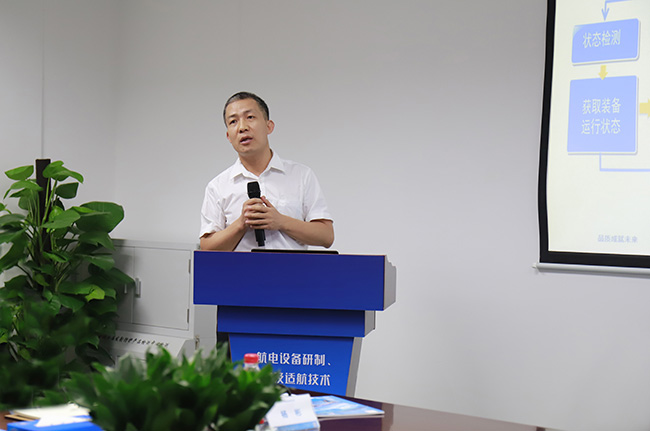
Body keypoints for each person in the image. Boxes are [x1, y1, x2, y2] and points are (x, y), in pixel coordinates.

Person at [200, 92, 334, 251]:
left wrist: (281, 221)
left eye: (250, 117)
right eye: (233, 121)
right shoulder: (217, 186)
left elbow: (326, 236)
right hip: (242, 268)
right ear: (229, 136)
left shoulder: (301, 175)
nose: (242, 127)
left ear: (269, 126)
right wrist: (241, 224)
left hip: (291, 267)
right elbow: (206, 248)